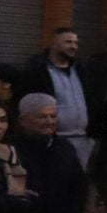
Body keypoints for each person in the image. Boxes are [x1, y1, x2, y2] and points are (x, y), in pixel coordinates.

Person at [22, 27, 92, 164]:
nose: (73, 46)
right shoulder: (38, 72)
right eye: (68, 42)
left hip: (83, 139)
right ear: (54, 43)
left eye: (75, 43)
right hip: (54, 138)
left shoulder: (81, 70)